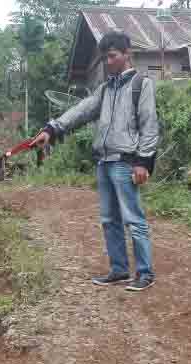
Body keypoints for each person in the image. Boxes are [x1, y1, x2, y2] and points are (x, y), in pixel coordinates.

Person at [32, 31, 159, 291]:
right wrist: (52, 129)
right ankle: (119, 269)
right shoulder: (105, 89)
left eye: (112, 56)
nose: (107, 62)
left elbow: (149, 125)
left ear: (126, 54)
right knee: (109, 220)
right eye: (104, 57)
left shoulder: (140, 85)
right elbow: (82, 111)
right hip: (103, 162)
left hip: (126, 163)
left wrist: (143, 162)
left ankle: (145, 273)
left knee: (133, 219)